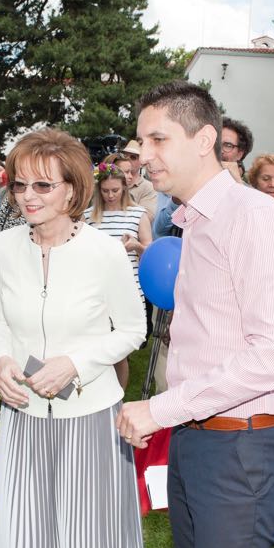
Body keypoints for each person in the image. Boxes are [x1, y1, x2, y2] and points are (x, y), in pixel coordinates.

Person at [117, 80, 274, 548]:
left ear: (204, 140)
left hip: (240, 446)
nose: (143, 154)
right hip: (197, 437)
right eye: (140, 141)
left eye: (157, 140)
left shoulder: (255, 219)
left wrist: (162, 408)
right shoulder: (193, 221)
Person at [0, 128, 148, 548]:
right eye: (20, 184)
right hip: (25, 418)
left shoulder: (103, 252)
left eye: (42, 185)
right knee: (36, 543)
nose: (27, 196)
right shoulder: (2, 248)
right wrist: (1, 361)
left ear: (73, 189)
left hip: (91, 418)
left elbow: (133, 329)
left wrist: (75, 362)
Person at [84, 161, 152, 389]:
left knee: (119, 353)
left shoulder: (137, 214)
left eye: (115, 190)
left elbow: (150, 253)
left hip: (127, 289)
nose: (111, 195)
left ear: (124, 188)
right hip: (93, 290)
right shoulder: (87, 217)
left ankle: (118, 400)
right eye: (105, 191)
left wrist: (136, 246)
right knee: (94, 347)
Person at [118, 142, 158, 218]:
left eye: (133, 157)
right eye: (124, 156)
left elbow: (148, 217)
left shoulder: (148, 187)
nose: (127, 159)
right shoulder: (110, 181)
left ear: (142, 163)